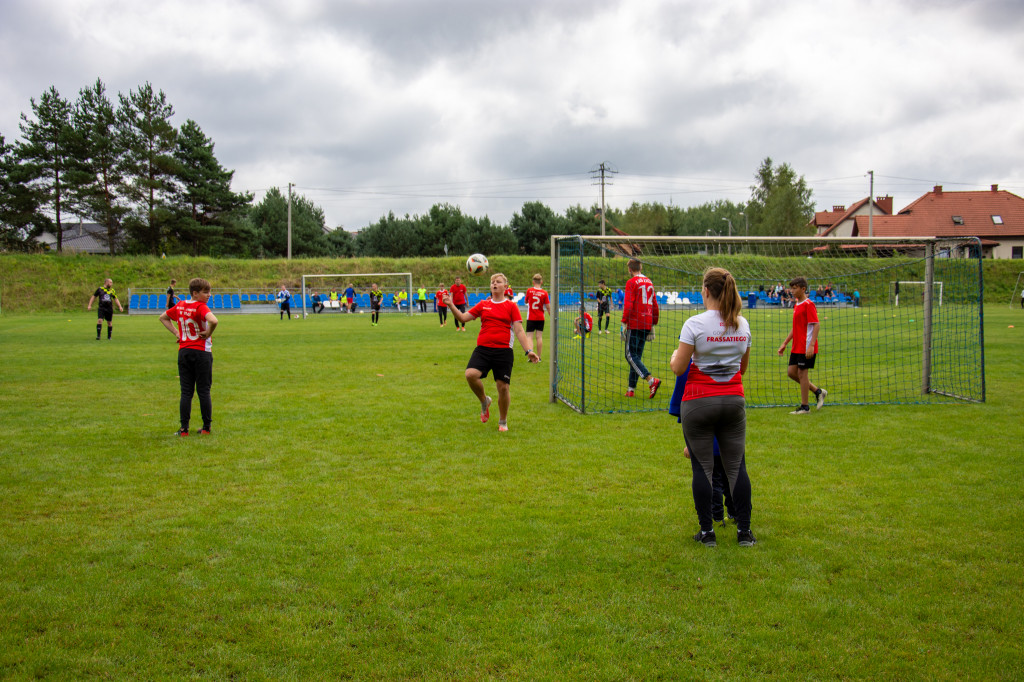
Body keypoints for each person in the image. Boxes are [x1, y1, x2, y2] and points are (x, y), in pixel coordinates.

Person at [670, 267, 755, 547]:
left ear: (706, 291)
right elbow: (742, 369)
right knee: (736, 467)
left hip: (698, 401)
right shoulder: (742, 324)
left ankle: (707, 533)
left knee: (702, 468)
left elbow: (678, 367)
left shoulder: (694, 324)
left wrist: (675, 355)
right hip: (733, 400)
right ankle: (745, 532)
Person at [443, 272, 539, 432]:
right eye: (492, 281)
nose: (494, 284)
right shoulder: (483, 304)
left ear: (505, 286)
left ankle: (503, 421)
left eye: (498, 281)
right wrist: (451, 305)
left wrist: (528, 350)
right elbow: (463, 318)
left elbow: (519, 330)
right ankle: (484, 401)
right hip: (483, 349)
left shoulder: (511, 306)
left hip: (503, 351)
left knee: (503, 387)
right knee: (470, 374)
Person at [669, 364, 735, 528]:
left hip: (708, 443)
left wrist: (690, 444)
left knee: (713, 479)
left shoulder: (690, 368)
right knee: (729, 477)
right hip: (728, 439)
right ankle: (735, 513)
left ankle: (716, 516)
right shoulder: (727, 365)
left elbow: (686, 412)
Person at [159, 277, 218, 436]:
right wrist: (208, 333)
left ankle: (184, 429)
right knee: (203, 391)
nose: (209, 295)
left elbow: (163, 317)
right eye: (205, 292)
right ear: (195, 293)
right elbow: (214, 321)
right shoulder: (201, 306)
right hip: (202, 352)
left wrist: (177, 333)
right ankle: (206, 428)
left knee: (186, 392)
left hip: (184, 351)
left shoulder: (181, 305)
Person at [777, 276, 827, 415]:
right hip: (797, 346)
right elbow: (796, 327)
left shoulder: (808, 304)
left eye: (794, 288)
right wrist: (785, 343)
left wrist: (811, 345)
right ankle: (818, 392)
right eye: (791, 288)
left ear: (803, 289)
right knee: (791, 373)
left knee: (802, 373)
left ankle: (805, 407)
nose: (792, 291)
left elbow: (816, 325)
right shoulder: (797, 304)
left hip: (806, 346)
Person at [621, 258, 661, 399]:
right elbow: (654, 304)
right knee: (636, 356)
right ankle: (631, 389)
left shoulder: (631, 282)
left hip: (635, 322)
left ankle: (651, 380)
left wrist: (624, 322)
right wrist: (653, 322)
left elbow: (629, 303)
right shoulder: (649, 281)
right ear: (641, 268)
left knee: (630, 355)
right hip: (647, 322)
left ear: (630, 269)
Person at [524, 274, 550, 359]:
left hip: (531, 317)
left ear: (533, 282)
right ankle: (539, 356)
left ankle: (531, 356)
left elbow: (526, 301)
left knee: (529, 337)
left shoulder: (529, 290)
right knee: (539, 337)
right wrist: (551, 315)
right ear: (541, 282)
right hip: (540, 317)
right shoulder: (544, 293)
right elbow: (548, 306)